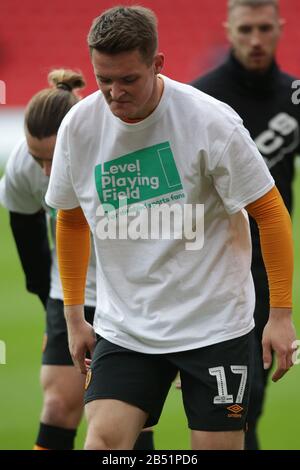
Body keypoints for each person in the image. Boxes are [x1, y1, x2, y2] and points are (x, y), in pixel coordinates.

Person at [45, 6, 296, 450]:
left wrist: (280, 314)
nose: (113, 93)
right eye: (103, 79)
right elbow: (71, 217)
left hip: (213, 324)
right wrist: (73, 315)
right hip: (128, 328)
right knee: (103, 444)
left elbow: (271, 213)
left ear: (157, 64)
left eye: (128, 79)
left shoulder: (210, 121)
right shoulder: (79, 126)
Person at [0, 69, 154, 451]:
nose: (47, 172)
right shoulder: (23, 166)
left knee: (129, 424)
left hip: (132, 294)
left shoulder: (123, 154)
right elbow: (29, 245)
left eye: (53, 158)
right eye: (38, 159)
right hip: (70, 293)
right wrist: (55, 311)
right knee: (57, 406)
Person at [191, 0, 300, 450]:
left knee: (250, 398)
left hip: (266, 264)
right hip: (213, 264)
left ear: (280, 28)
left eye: (264, 28)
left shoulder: (294, 95)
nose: (256, 40)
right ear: (228, 31)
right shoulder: (201, 98)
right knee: (228, 396)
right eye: (245, 29)